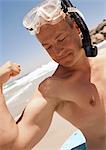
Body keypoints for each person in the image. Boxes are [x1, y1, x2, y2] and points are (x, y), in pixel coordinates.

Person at [0, 0, 106, 150]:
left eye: (61, 39)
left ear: (76, 28)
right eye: (48, 46)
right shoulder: (52, 89)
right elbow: (13, 146)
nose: (58, 51)